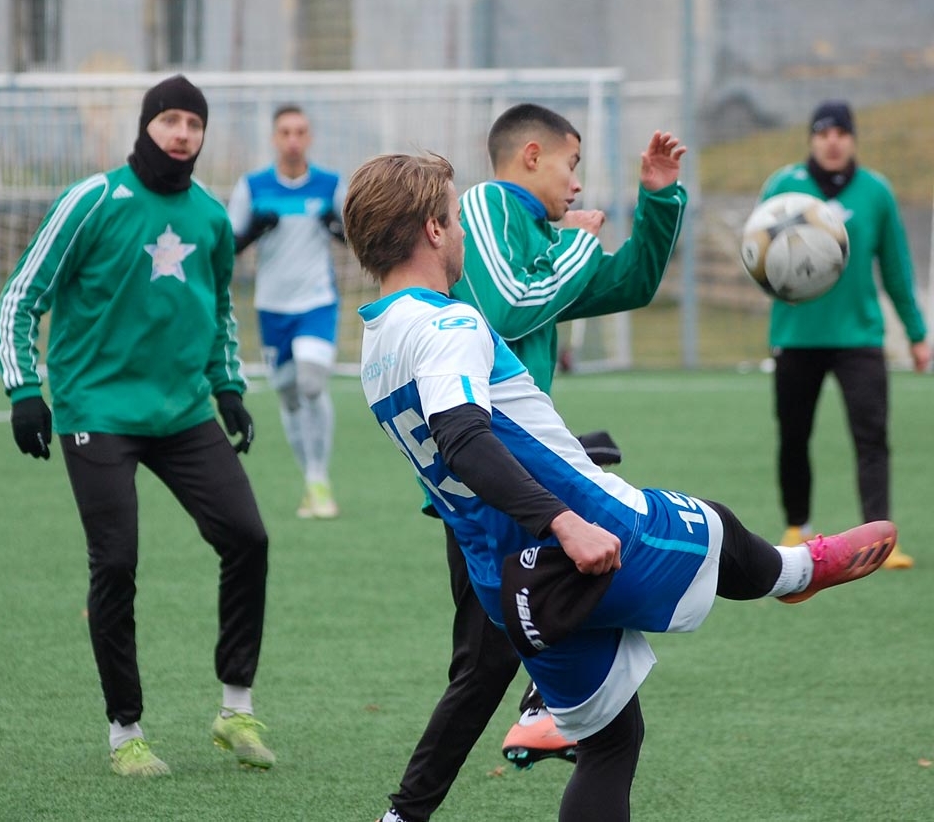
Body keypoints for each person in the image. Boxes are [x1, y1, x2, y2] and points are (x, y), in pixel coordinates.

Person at [344, 151, 896, 822]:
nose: (462, 231)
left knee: (611, 741)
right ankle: (797, 570)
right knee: (716, 526)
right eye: (455, 218)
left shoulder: (379, 341)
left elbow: (479, 429)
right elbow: (463, 435)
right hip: (591, 535)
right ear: (432, 230)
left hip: (509, 583)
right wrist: (565, 522)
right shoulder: (448, 325)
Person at [382, 104, 688, 822]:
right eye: (570, 164)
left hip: (522, 476)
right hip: (490, 484)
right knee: (487, 668)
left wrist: (660, 199)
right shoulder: (489, 208)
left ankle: (525, 721)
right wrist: (578, 244)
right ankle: (542, 709)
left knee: (484, 669)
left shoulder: (540, 240)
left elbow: (631, 288)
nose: (577, 183)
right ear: (528, 156)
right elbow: (510, 308)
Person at [0, 74, 275, 778]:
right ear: (147, 125)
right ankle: (126, 732)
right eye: (170, 119)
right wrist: (26, 389)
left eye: (194, 123)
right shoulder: (92, 200)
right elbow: (22, 295)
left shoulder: (211, 218)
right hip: (97, 412)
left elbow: (216, 312)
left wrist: (228, 389)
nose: (182, 133)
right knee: (116, 563)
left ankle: (236, 707)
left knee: (248, 538)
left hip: (181, 413)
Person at [760, 100, 929, 567]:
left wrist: (916, 333)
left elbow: (895, 268)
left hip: (860, 339)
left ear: (853, 139)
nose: (832, 140)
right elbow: (758, 255)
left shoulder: (876, 192)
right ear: (812, 139)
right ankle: (798, 526)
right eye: (823, 132)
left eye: (841, 132)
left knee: (871, 436)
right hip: (796, 336)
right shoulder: (783, 188)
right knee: (794, 435)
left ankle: (879, 538)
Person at [228, 104, 347, 519]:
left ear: (309, 137)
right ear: (274, 138)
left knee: (312, 384)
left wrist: (338, 228)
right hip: (272, 306)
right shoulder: (253, 186)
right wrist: (252, 232)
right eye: (285, 132)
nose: (293, 140)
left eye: (300, 132)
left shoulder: (331, 184)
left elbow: (357, 240)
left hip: (317, 302)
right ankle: (309, 481)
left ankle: (319, 479)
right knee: (290, 394)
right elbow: (226, 248)